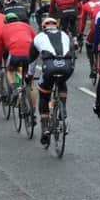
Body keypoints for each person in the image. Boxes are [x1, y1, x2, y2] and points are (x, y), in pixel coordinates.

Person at [27, 17, 74, 145]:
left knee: (44, 93)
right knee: (62, 82)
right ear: (56, 26)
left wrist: (29, 76)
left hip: (50, 66)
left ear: (43, 27)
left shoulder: (38, 37)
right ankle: (63, 107)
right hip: (67, 65)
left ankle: (45, 129)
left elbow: (32, 61)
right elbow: (72, 51)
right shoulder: (64, 34)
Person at [0, 13, 35, 102]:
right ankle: (31, 109)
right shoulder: (26, 26)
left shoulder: (3, 29)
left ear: (5, 22)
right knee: (24, 75)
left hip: (15, 54)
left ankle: (15, 89)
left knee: (10, 70)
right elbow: (35, 39)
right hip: (30, 54)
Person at [78, 0, 100, 78]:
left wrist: (80, 33)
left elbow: (83, 21)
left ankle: (92, 66)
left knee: (88, 43)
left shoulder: (85, 5)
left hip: (95, 26)